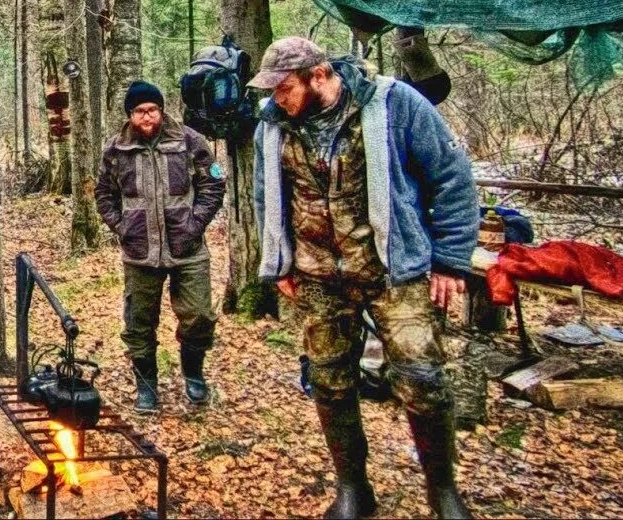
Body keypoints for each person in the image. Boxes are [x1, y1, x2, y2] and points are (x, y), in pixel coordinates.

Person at [250, 37, 478, 520]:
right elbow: (265, 196)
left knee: (422, 378)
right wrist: (280, 261)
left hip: (393, 270)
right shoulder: (271, 125)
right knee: (330, 380)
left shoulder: (394, 104)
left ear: (319, 76)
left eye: (284, 88)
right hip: (317, 275)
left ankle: (443, 491)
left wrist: (452, 259)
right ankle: (353, 488)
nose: (276, 99)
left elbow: (452, 176)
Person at [95, 81, 225, 413]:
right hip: (140, 252)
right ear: (130, 115)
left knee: (198, 316)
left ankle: (194, 375)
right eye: (139, 111)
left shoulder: (189, 140)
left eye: (152, 109)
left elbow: (213, 182)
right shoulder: (115, 149)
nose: (147, 116)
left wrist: (195, 223)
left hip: (188, 248)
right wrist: (122, 226)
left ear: (161, 110)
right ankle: (146, 388)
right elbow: (103, 194)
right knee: (138, 323)